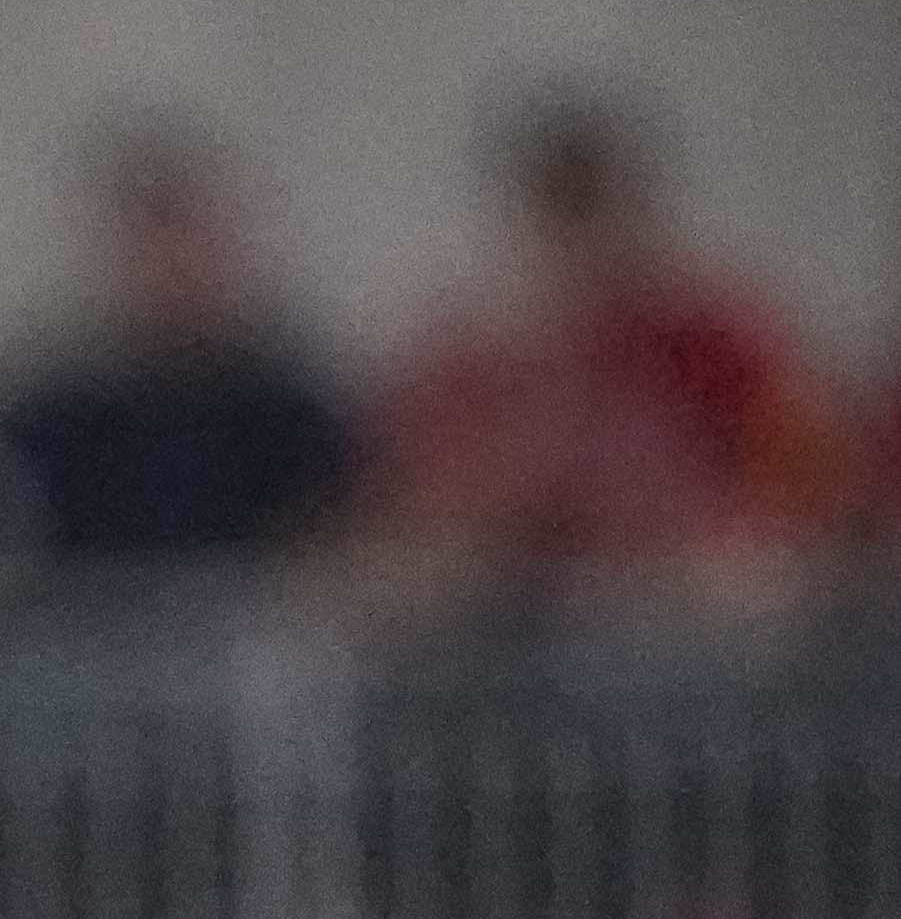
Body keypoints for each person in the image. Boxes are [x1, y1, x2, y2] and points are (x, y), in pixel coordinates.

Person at [364, 97, 850, 623]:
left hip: (681, 606)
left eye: (595, 212)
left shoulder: (716, 342)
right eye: (560, 217)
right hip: (519, 610)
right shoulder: (476, 357)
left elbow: (799, 495)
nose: (583, 245)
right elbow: (421, 514)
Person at [0, 126, 358, 567]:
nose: (171, 269)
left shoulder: (290, 417)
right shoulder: (63, 419)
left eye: (188, 242)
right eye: (152, 246)